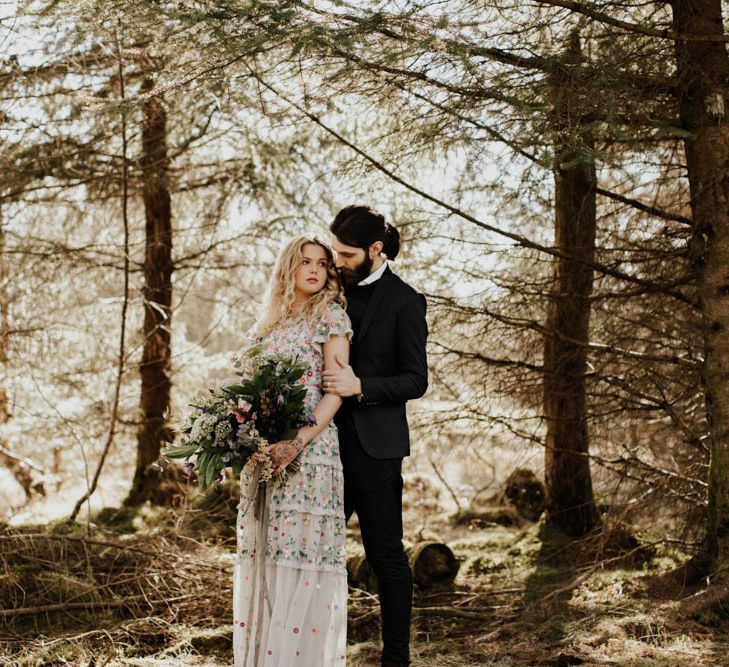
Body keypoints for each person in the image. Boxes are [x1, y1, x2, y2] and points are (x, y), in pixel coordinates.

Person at [233, 234, 353, 666]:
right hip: (264, 456)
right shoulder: (267, 325)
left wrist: (297, 442)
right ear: (289, 268)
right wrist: (247, 434)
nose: (316, 269)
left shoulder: (331, 317)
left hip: (310, 452)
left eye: (323, 263)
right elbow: (245, 390)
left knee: (300, 557)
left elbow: (335, 391)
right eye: (306, 261)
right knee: (265, 555)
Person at [322, 206, 428, 667]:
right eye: (335, 252)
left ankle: (396, 658)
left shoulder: (406, 300)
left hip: (376, 451)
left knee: (386, 556)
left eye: (346, 254)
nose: (336, 261)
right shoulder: (327, 291)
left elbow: (415, 380)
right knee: (317, 551)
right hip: (320, 446)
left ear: (375, 250)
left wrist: (361, 386)